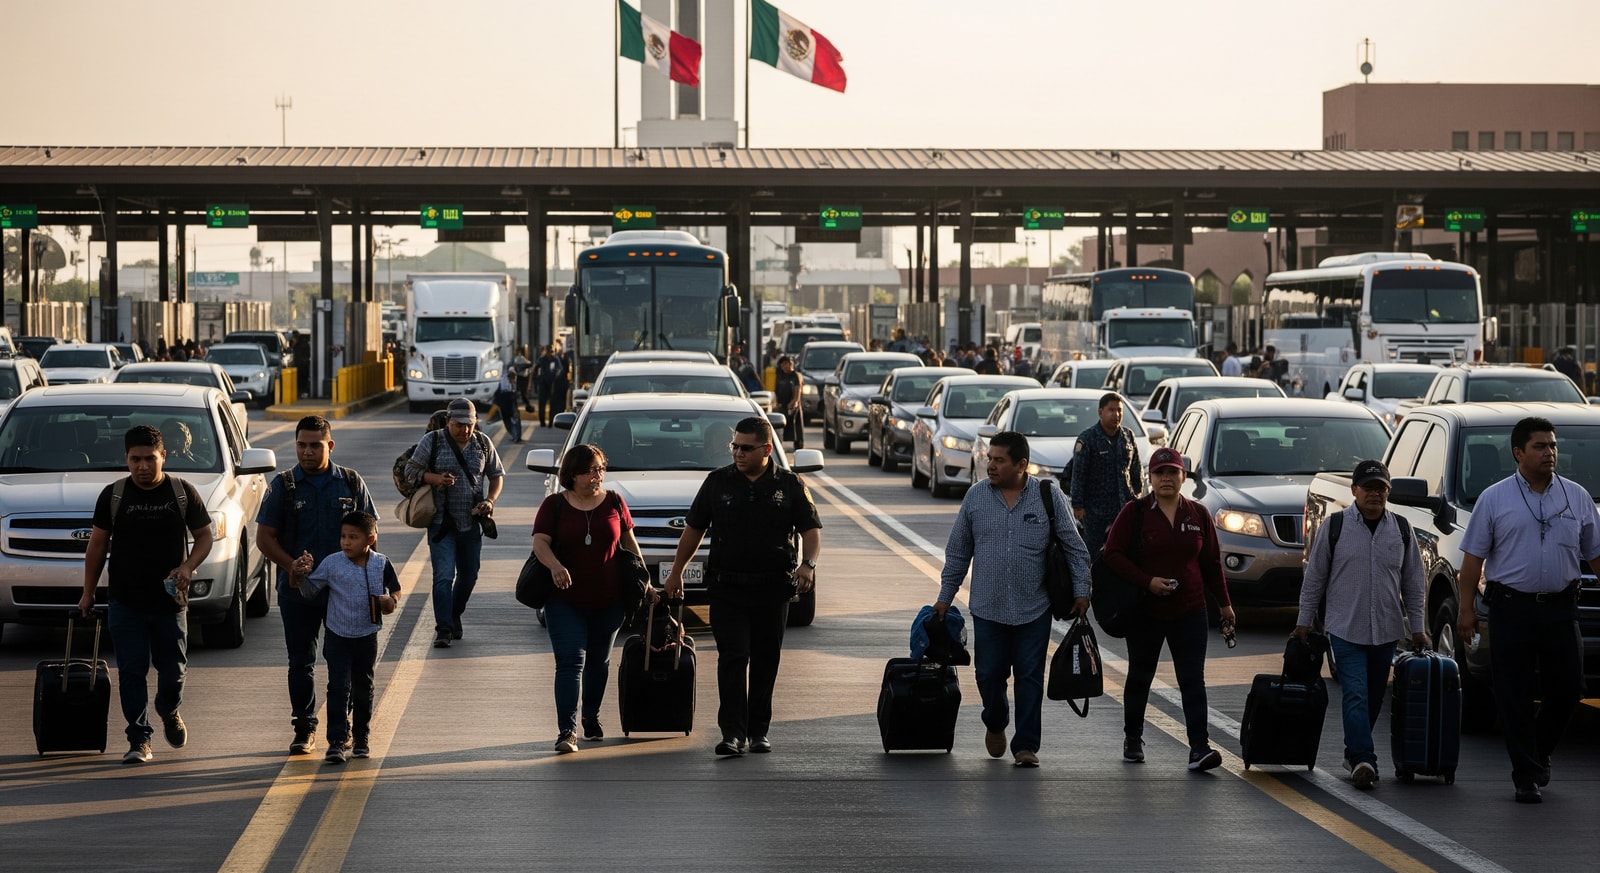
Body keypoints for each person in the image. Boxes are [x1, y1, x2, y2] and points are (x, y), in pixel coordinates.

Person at [1456, 416, 1600, 803]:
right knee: (1513, 694)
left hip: (1560, 609)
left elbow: (1596, 555)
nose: (1549, 453)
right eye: (1540, 446)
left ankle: (1537, 752)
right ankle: (1525, 775)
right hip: (1510, 608)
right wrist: (1466, 610)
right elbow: (1472, 562)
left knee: (1569, 688)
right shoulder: (1495, 498)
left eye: (1552, 445)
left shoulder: (1577, 497)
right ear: (1519, 452)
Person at [663, 416, 821, 756]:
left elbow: (811, 531)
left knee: (766, 660)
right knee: (733, 658)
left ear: (766, 449)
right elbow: (694, 530)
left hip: (772, 588)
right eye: (734, 446)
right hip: (728, 587)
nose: (738, 453)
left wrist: (808, 565)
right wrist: (676, 571)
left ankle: (758, 731)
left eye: (746, 448)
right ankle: (732, 733)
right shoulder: (718, 483)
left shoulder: (790, 485)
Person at [935, 430, 1091, 767]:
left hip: (1034, 608)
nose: (990, 465)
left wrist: (1082, 590)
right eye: (990, 458)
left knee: (1029, 676)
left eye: (998, 460)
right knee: (988, 675)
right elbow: (958, 552)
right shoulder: (975, 498)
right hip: (988, 608)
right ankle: (995, 720)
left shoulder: (1048, 497)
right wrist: (944, 597)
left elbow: (1074, 547)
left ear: (1022, 464)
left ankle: (1026, 746)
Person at [78, 425, 213, 764]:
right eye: (135, 459)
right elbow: (96, 546)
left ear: (163, 456)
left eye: (149, 459)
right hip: (125, 601)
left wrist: (188, 566)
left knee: (174, 671)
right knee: (131, 672)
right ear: (126, 458)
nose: (142, 466)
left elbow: (205, 537)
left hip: (171, 602)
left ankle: (169, 709)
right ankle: (139, 739)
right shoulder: (114, 495)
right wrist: (88, 592)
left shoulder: (182, 493)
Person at [1294, 460, 1426, 789]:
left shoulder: (1402, 529)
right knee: (1356, 695)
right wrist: (1303, 622)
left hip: (1386, 630)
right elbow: (1314, 579)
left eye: (1381, 488)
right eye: (1368, 488)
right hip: (1345, 628)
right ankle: (1365, 759)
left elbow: (1413, 583)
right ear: (1354, 491)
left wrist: (1419, 627)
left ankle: (1353, 751)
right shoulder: (1335, 527)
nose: (1375, 494)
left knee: (1374, 696)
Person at [1103, 447, 1233, 771]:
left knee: (1192, 680)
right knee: (1140, 676)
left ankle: (1199, 748)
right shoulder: (1135, 512)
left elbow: (1212, 563)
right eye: (1160, 473)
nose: (1166, 479)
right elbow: (1112, 555)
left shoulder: (1198, 514)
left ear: (1183, 477)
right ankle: (1133, 739)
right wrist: (1147, 582)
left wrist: (1226, 605)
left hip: (1190, 610)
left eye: (1173, 473)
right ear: (1150, 477)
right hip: (1146, 611)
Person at [256, 415, 377, 755]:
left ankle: (343, 731)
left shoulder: (351, 483)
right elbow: (264, 538)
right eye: (301, 445)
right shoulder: (283, 485)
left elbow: (371, 537)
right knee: (301, 661)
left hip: (343, 595)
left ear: (330, 446)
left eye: (315, 445)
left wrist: (369, 584)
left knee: (344, 664)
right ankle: (304, 726)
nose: (307, 452)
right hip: (298, 592)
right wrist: (289, 564)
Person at [531, 444, 656, 753]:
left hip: (609, 598)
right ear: (572, 474)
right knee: (570, 662)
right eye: (589, 470)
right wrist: (555, 566)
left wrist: (647, 582)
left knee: (599, 662)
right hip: (564, 599)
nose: (597, 476)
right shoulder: (554, 505)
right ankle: (567, 731)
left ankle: (592, 717)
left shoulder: (614, 500)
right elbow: (540, 543)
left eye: (601, 469)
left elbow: (629, 543)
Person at [298, 511, 401, 764]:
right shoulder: (332, 563)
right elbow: (311, 591)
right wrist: (300, 574)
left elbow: (395, 590)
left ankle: (361, 739)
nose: (346, 542)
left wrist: (391, 601)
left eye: (353, 537)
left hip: (367, 636)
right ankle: (336, 741)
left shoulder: (381, 563)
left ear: (370, 539)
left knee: (363, 688)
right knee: (338, 688)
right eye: (343, 536)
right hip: (338, 635)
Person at [404, 398, 505, 648]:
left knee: (469, 575)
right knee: (443, 577)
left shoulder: (483, 443)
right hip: (441, 525)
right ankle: (444, 629)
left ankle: (453, 613)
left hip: (471, 523)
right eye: (459, 424)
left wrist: (490, 501)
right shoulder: (433, 441)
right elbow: (410, 471)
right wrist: (436, 479)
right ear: (448, 422)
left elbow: (496, 476)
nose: (465, 430)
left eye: (469, 424)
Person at [1070, 392, 1144, 556]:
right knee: (1093, 553)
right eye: (1111, 410)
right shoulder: (1087, 439)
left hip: (1124, 506)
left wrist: (1137, 497)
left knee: (1126, 551)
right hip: (1095, 510)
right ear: (1100, 412)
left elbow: (1136, 470)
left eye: (1119, 411)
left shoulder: (1128, 436)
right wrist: (1078, 505)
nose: (1116, 415)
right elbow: (1079, 474)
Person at [773, 355, 804, 449]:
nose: (784, 366)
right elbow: (776, 389)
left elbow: (797, 389)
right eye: (783, 364)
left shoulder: (795, 375)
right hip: (782, 404)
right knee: (780, 425)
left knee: (795, 426)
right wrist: (776, 402)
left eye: (786, 363)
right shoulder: (780, 375)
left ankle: (798, 444)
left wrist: (795, 401)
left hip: (792, 404)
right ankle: (779, 444)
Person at [494, 368, 524, 443]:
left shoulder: (516, 382)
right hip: (505, 405)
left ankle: (517, 437)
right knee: (508, 422)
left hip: (512, 404)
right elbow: (497, 394)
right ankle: (515, 436)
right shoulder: (503, 383)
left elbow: (519, 393)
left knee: (516, 421)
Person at [536, 345, 560, 426]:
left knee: (552, 403)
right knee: (542, 403)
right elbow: (535, 368)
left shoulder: (555, 359)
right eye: (548, 351)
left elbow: (560, 369)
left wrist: (556, 375)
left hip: (552, 382)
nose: (549, 353)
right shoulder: (541, 359)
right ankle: (542, 422)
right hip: (542, 383)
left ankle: (551, 421)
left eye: (551, 352)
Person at [512, 344, 535, 413]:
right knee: (523, 394)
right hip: (522, 377)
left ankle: (524, 406)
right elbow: (529, 364)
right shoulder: (520, 358)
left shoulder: (519, 358)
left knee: (521, 393)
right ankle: (527, 406)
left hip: (521, 377)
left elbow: (527, 364)